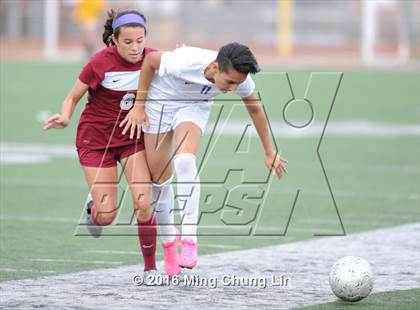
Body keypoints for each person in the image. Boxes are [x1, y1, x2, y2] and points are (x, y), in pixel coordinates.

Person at [120, 43, 288, 276]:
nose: (232, 88)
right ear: (213, 67)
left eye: (237, 84)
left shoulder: (238, 79)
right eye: (229, 82)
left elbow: (255, 109)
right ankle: (169, 243)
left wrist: (269, 151)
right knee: (158, 181)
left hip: (193, 107)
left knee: (185, 161)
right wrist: (139, 107)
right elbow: (149, 63)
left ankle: (189, 239)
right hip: (159, 103)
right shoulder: (184, 62)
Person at [43, 9, 158, 279]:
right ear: (114, 40)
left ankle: (151, 268)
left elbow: (183, 68)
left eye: (140, 40)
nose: (135, 47)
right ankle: (93, 208)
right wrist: (65, 115)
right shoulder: (99, 63)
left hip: (131, 139)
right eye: (128, 42)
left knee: (143, 204)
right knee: (107, 216)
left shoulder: (153, 59)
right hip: (96, 141)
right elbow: (73, 97)